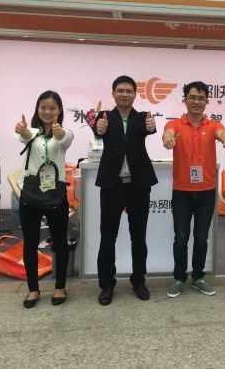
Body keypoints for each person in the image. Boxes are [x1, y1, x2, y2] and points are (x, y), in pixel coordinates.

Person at [162, 81, 225, 297]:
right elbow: (167, 134)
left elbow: (224, 134)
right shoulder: (175, 124)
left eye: (201, 98)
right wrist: (167, 140)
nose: (196, 101)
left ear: (206, 102)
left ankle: (198, 277)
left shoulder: (213, 125)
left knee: (201, 237)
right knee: (181, 237)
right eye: (192, 97)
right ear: (185, 100)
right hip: (182, 192)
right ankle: (179, 278)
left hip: (206, 191)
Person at [95, 75, 158, 305]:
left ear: (134, 94)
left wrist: (151, 128)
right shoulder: (104, 117)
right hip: (112, 185)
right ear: (113, 93)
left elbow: (150, 129)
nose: (124, 94)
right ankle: (106, 285)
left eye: (129, 91)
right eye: (120, 90)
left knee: (138, 237)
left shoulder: (142, 118)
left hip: (138, 185)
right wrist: (99, 129)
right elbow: (98, 131)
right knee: (107, 237)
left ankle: (138, 281)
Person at [14, 91, 74, 308]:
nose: (47, 112)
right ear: (37, 109)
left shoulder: (65, 133)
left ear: (59, 110)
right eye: (43, 107)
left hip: (56, 195)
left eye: (52, 108)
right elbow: (23, 134)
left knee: (60, 242)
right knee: (30, 243)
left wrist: (59, 132)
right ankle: (33, 289)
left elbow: (64, 138)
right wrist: (21, 129)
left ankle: (60, 287)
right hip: (30, 194)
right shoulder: (31, 132)